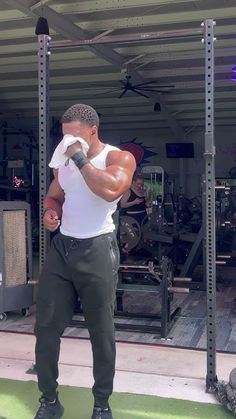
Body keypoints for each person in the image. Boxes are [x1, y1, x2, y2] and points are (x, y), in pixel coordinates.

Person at [34, 104, 136, 419]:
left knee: (100, 331)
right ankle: (49, 401)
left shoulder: (118, 158)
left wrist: (79, 157)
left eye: (74, 137)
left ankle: (101, 404)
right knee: (46, 327)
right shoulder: (63, 162)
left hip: (98, 249)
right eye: (64, 137)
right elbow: (54, 196)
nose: (67, 143)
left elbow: (110, 190)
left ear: (93, 131)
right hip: (62, 249)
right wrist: (52, 213)